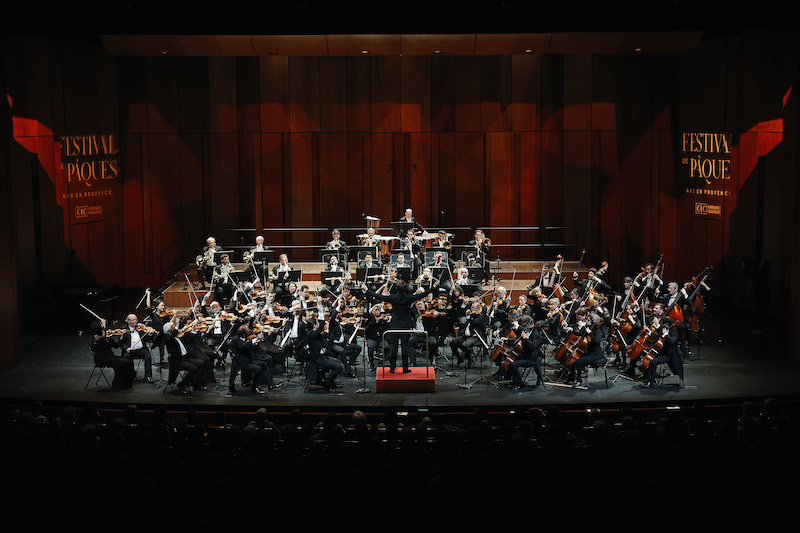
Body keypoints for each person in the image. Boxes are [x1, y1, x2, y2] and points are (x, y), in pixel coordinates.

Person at [361, 278, 438, 373]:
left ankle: (392, 368)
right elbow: (423, 294)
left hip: (395, 325)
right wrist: (434, 287)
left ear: (396, 289)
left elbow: (379, 297)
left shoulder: (393, 297)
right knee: (405, 347)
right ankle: (405, 369)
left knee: (393, 346)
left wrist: (367, 290)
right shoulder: (409, 297)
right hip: (405, 326)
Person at [162, 315, 209, 393]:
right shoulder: (168, 339)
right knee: (194, 369)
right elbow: (172, 336)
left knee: (202, 363)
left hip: (185, 358)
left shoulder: (178, 336)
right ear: (171, 330)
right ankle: (182, 384)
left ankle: (195, 384)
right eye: (174, 328)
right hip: (178, 361)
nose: (177, 329)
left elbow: (189, 340)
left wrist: (193, 329)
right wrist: (176, 325)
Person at [564, 307, 606, 388]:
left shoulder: (597, 331)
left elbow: (596, 341)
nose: (586, 321)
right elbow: (579, 334)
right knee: (573, 360)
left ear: (593, 322)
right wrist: (571, 330)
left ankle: (579, 380)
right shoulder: (587, 328)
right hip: (588, 352)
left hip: (596, 354)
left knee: (578, 362)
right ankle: (571, 377)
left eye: (588, 320)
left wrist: (589, 333)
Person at [89, 319, 134, 390]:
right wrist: (103, 326)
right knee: (122, 362)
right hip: (101, 359)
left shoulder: (108, 338)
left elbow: (116, 346)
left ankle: (125, 384)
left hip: (110, 357)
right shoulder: (98, 339)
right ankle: (116, 385)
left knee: (127, 361)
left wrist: (121, 336)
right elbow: (98, 337)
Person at [225, 324, 270, 397]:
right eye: (248, 330)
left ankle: (260, 386)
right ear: (243, 333)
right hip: (240, 362)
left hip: (247, 359)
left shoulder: (245, 338)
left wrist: (256, 342)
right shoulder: (236, 339)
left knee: (264, 364)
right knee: (259, 369)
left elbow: (248, 348)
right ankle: (251, 387)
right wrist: (255, 339)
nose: (250, 331)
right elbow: (243, 346)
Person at [449, 300, 488, 368]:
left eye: (473, 308)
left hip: (475, 337)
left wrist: (468, 316)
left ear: (478, 309)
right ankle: (459, 358)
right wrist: (468, 316)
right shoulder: (472, 316)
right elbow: (466, 325)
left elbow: (473, 323)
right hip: (466, 335)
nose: (471, 309)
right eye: (471, 307)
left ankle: (470, 358)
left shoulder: (480, 317)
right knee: (453, 342)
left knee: (464, 345)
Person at [118, 313, 155, 383]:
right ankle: (131, 375)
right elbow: (120, 343)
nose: (136, 321)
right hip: (129, 351)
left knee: (148, 356)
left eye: (136, 319)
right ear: (128, 321)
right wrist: (126, 348)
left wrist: (150, 334)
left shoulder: (140, 328)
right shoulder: (124, 329)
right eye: (133, 320)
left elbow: (147, 339)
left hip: (141, 350)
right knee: (126, 357)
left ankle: (148, 376)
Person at [363, 304, 390, 372]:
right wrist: (374, 307)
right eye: (376, 310)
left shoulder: (382, 320)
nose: (378, 311)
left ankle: (385, 360)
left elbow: (386, 328)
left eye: (378, 310)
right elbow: (366, 315)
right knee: (371, 347)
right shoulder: (369, 319)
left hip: (380, 338)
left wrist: (387, 321)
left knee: (387, 346)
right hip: (371, 338)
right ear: (372, 311)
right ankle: (371, 364)